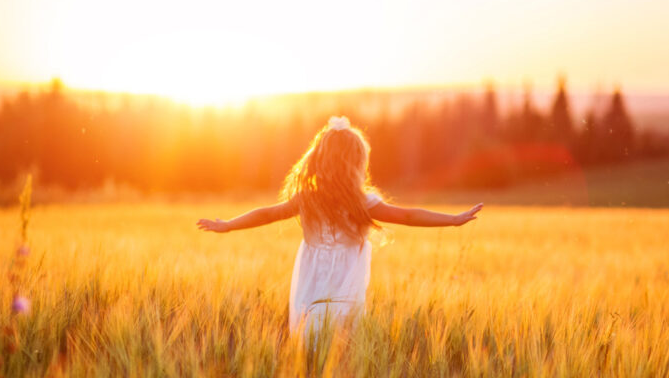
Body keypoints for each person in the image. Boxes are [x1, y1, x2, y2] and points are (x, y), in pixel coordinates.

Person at [197, 116, 482, 337]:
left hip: (311, 274)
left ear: (320, 159)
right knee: (342, 332)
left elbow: (267, 214)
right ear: (357, 163)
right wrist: (453, 219)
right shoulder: (362, 202)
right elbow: (409, 216)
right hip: (346, 278)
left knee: (310, 328)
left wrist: (229, 225)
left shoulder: (309, 197)